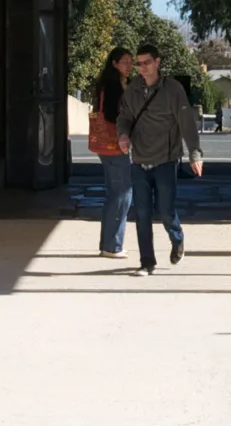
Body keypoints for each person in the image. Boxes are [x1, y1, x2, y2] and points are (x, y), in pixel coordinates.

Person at [117, 45, 203, 274]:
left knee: (165, 210)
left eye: (147, 62)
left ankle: (177, 237)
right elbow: (124, 117)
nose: (142, 68)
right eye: (139, 63)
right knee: (142, 213)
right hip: (139, 159)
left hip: (166, 159)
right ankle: (147, 262)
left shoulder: (173, 90)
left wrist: (195, 153)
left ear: (158, 62)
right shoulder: (132, 89)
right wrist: (123, 135)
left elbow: (186, 123)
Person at [87, 48, 134, 257]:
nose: (129, 66)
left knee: (114, 194)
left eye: (130, 62)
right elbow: (112, 114)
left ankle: (108, 242)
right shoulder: (113, 85)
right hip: (115, 144)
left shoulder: (117, 83)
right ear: (114, 63)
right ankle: (112, 245)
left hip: (109, 145)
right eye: (125, 62)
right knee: (123, 194)